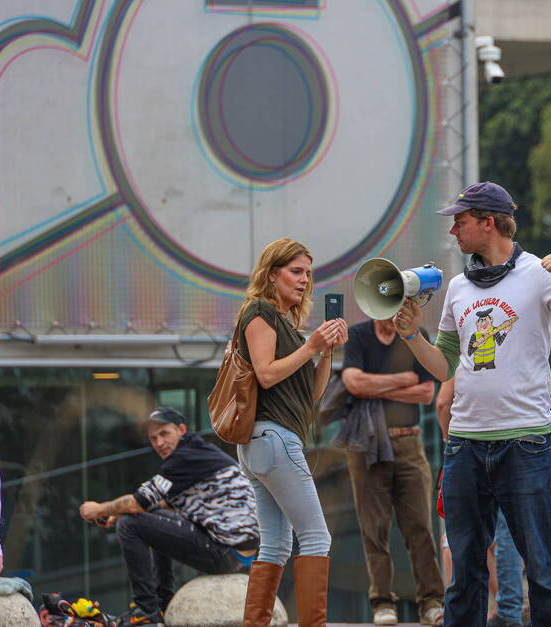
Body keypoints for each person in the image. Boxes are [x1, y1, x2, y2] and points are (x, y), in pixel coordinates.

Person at [394, 181, 551, 627]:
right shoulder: (456, 286)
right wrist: (412, 334)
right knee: (466, 575)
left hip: (527, 442)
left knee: (544, 572)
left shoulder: (537, 274)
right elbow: (444, 366)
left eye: (461, 221)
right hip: (466, 444)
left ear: (488, 223)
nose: (453, 230)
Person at [235, 238, 348, 627]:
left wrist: (325, 351)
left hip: (265, 443)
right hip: (274, 439)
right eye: (295, 272)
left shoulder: (287, 324)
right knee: (317, 537)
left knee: (277, 544)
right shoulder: (261, 312)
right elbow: (266, 374)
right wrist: (310, 345)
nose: (304, 281)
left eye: (308, 274)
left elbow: (312, 395)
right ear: (272, 274)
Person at [78, 407, 259, 627]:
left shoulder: (185, 457)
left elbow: (137, 504)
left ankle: (145, 608)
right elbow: (160, 503)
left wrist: (98, 509)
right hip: (234, 552)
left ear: (181, 429)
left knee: (130, 524)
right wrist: (116, 512)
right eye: (153, 438)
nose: (159, 443)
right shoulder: (197, 451)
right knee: (149, 517)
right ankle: (163, 602)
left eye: (165, 433)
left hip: (225, 553)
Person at [339, 317, 444, 626]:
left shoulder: (416, 333)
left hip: (408, 440)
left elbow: (426, 392)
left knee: (420, 527)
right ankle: (382, 602)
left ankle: (432, 600)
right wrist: (403, 380)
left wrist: (374, 387)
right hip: (367, 443)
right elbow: (352, 383)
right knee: (374, 527)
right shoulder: (358, 334)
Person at [488, 325, 551, 627]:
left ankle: (509, 612)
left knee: (507, 526)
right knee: (550, 523)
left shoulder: (514, 328)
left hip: (515, 432)